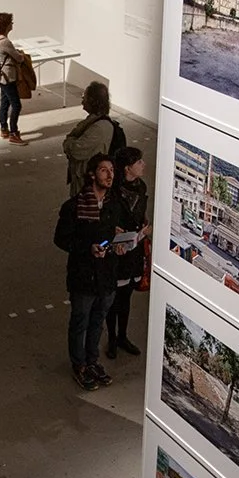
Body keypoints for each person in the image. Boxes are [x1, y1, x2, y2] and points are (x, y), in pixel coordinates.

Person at [59, 154, 121, 390]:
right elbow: (61, 239)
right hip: (83, 276)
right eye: (104, 170)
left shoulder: (113, 205)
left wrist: (119, 242)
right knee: (80, 321)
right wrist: (88, 248)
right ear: (92, 174)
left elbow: (112, 235)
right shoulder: (74, 206)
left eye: (112, 171)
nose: (109, 175)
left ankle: (92, 361)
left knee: (98, 321)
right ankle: (79, 365)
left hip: (106, 276)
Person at [105, 145, 150, 360]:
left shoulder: (141, 188)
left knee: (127, 297)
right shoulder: (113, 192)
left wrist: (144, 228)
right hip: (118, 251)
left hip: (134, 250)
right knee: (114, 299)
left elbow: (141, 215)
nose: (143, 165)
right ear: (127, 168)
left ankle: (122, 336)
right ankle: (112, 339)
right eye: (139, 162)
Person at [0, 11, 26, 143]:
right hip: (8, 77)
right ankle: (13, 133)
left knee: (5, 102)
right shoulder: (5, 42)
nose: (12, 24)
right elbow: (18, 58)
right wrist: (22, 56)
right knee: (16, 105)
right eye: (11, 22)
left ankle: (4, 128)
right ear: (6, 25)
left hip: (1, 77)